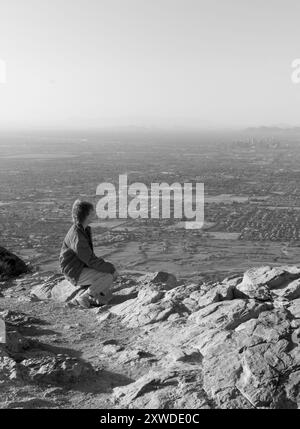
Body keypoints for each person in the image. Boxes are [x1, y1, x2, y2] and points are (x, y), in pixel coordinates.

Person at [59, 199, 117, 308]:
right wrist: (111, 269)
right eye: (92, 212)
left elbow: (88, 258)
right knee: (108, 276)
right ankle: (84, 298)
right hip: (74, 272)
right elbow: (90, 259)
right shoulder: (78, 235)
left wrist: (108, 266)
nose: (94, 213)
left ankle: (96, 297)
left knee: (108, 269)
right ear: (86, 215)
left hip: (78, 267)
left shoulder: (82, 229)